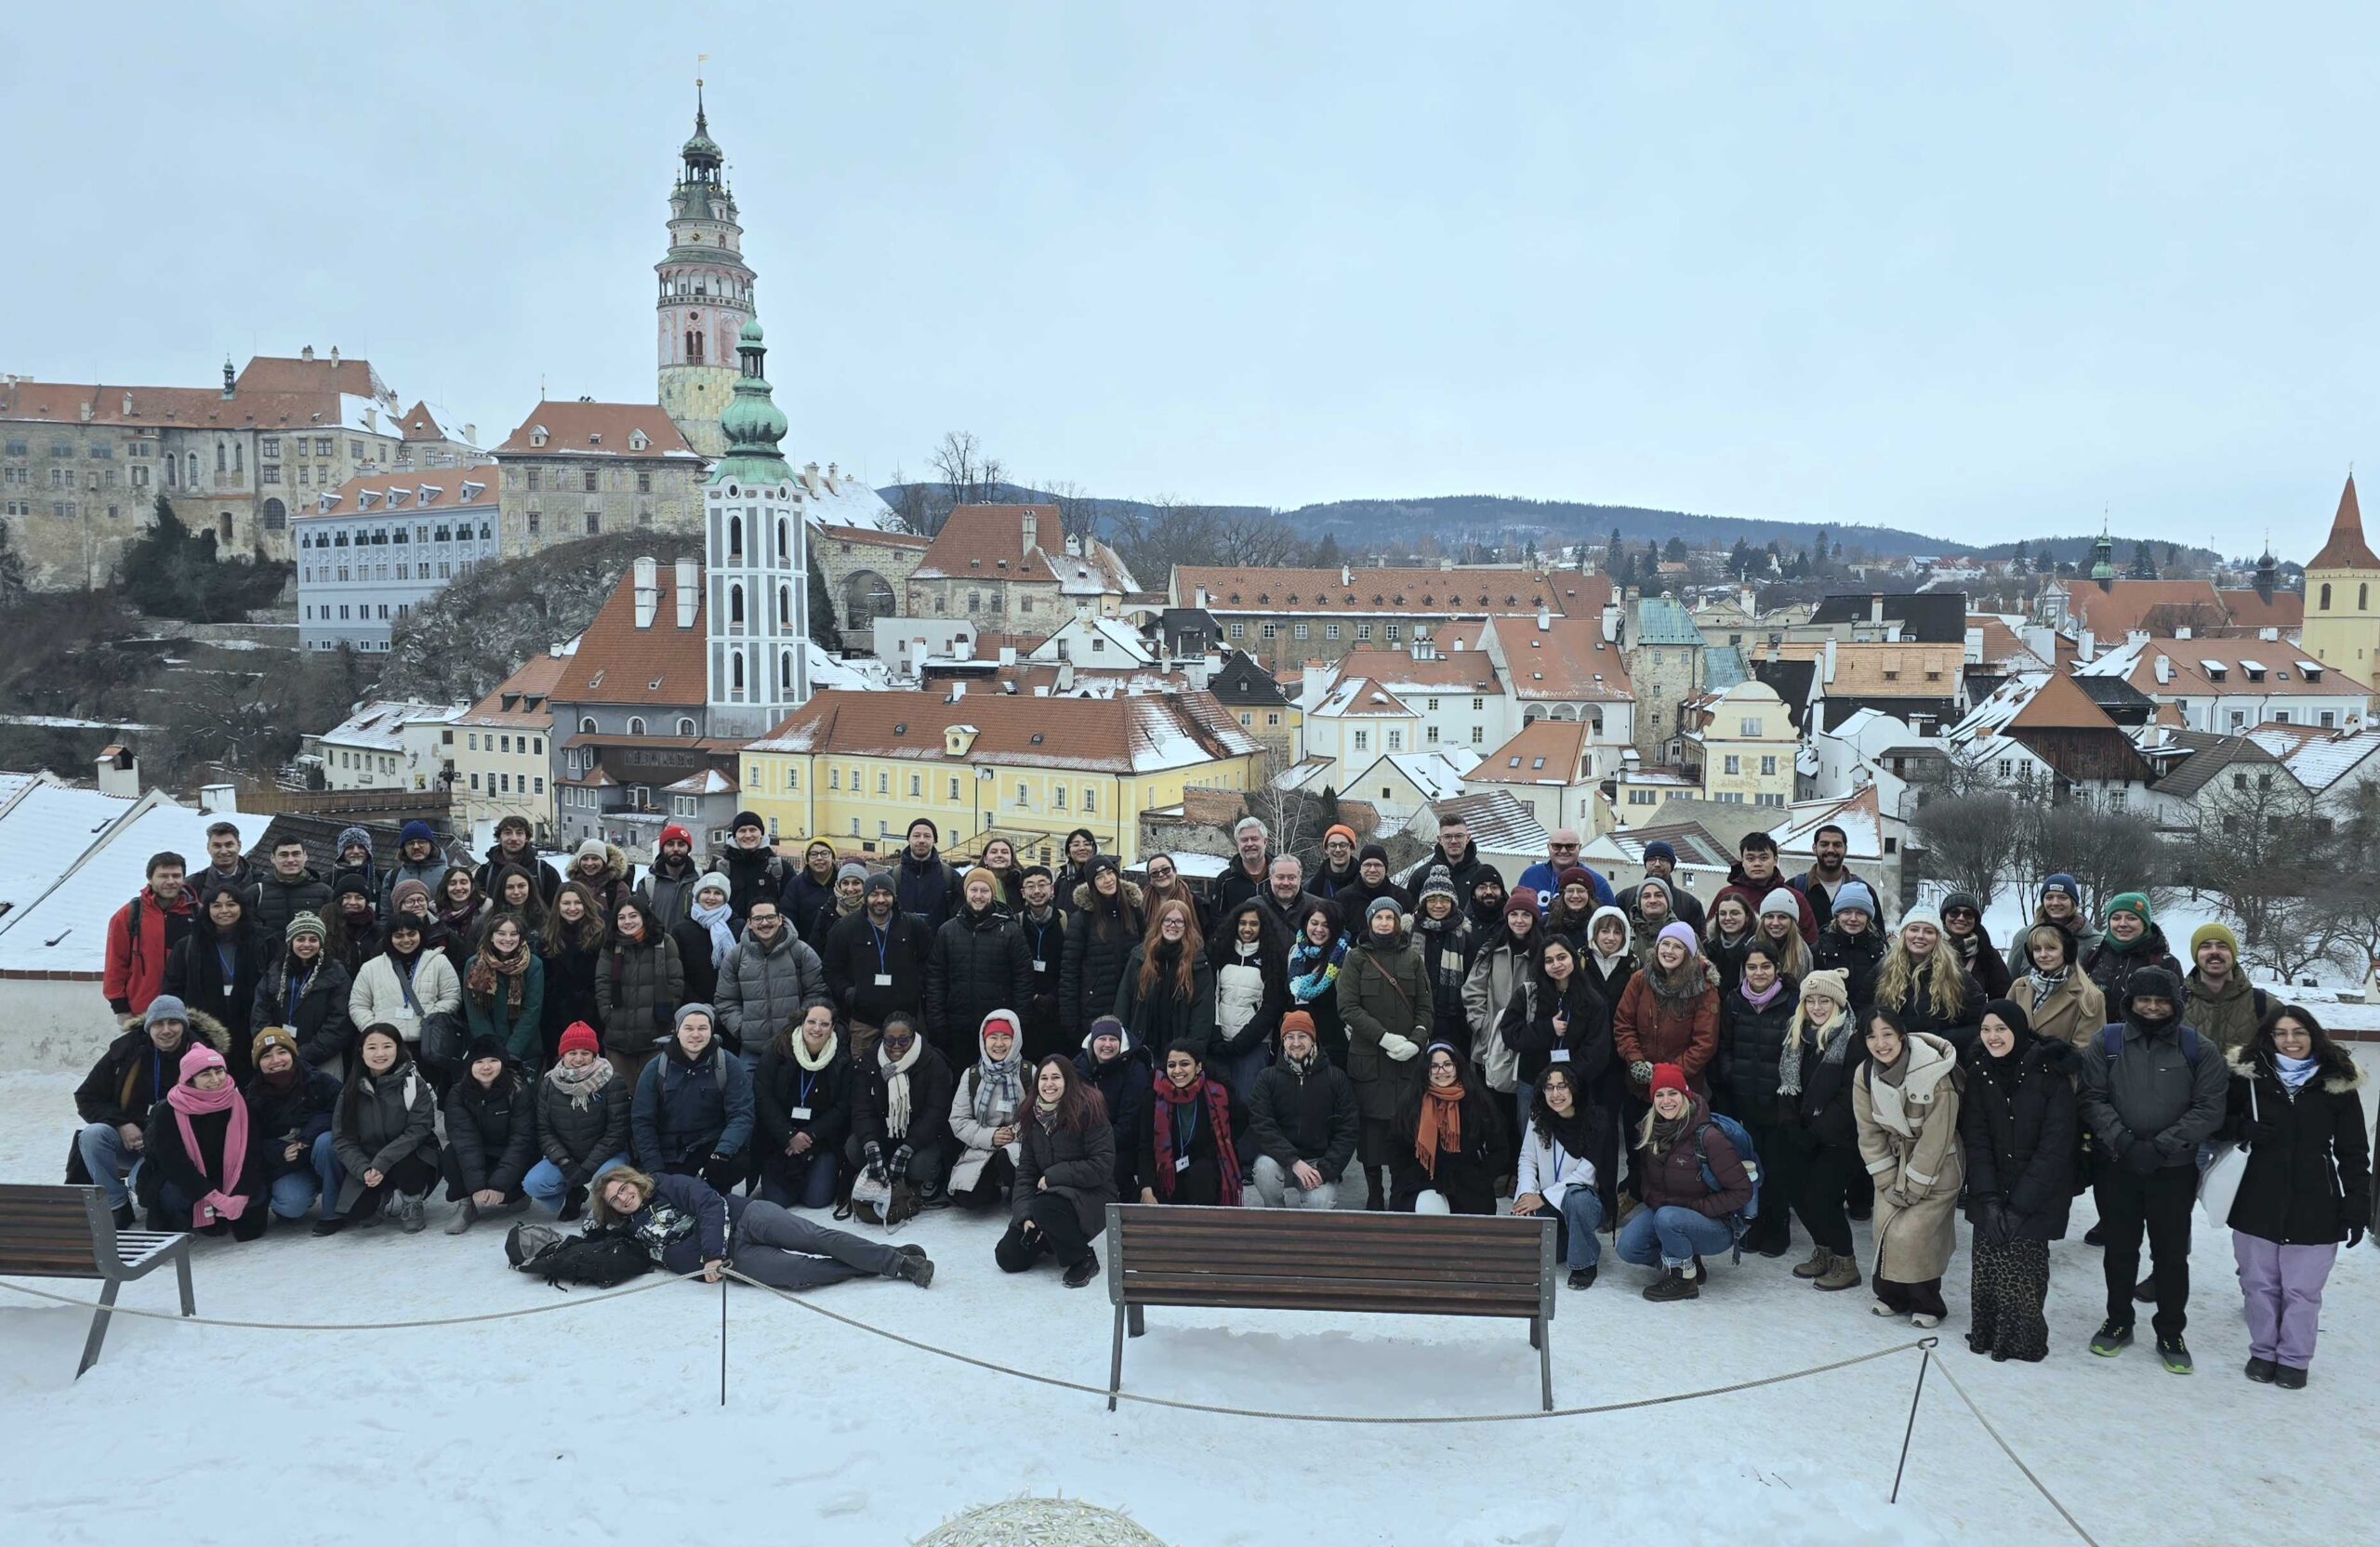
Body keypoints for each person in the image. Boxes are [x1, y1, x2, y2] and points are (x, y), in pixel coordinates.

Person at [2078, 964, 2228, 1372]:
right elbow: (2091, 1097)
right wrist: (2123, 1140)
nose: (2153, 1007)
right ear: (2130, 1002)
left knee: (2171, 1254)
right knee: (2121, 1249)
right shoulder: (2107, 1042)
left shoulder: (2198, 1049)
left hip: (2173, 1169)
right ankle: (2119, 1320)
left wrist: (2163, 1145)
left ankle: (2170, 1330)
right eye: (2144, 999)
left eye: (2161, 1000)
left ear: (2175, 1004)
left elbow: (2210, 1108)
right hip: (2118, 1165)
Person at [2225, 1006, 2371, 1389]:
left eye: (2299, 1032)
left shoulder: (2337, 1082)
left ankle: (2294, 1358)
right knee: (2259, 1285)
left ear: (2314, 1035)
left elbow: (2354, 1150)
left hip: (2315, 1201)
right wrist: (2244, 1127)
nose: (2290, 1040)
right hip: (2257, 1196)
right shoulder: (2249, 1077)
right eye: (2281, 1033)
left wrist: (2358, 1203)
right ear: (2268, 1038)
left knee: (2302, 1290)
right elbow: (2218, 1121)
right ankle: (2263, 1351)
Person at [1957, 999, 2079, 1363]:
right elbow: (1975, 1138)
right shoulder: (1980, 1072)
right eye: (1986, 1030)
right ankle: (1987, 1334)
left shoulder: (2049, 1072)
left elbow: (2056, 1146)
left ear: (2018, 1030)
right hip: (1991, 1187)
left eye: (2001, 1029)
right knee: (1988, 1266)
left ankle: (2021, 1341)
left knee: (2021, 1273)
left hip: (2037, 1194)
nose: (1993, 1037)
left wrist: (2019, 1205)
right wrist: (1989, 1199)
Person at [588, 1166, 933, 1292]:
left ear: (632, 1180)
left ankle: (899, 1264)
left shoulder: (665, 1184)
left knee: (816, 1238)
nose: (624, 1197)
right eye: (616, 1200)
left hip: (745, 1217)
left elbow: (709, 1205)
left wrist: (710, 1255)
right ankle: (878, 1260)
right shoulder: (632, 1231)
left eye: (623, 1188)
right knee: (802, 1273)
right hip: (736, 1259)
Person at [1853, 1009, 1965, 1327]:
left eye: (1887, 1034)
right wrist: (1886, 1177)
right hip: (1893, 1159)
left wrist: (1916, 1184)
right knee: (1886, 1228)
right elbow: (1868, 1130)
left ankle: (1928, 1303)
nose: (1880, 1043)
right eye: (1872, 1036)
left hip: (1937, 1162)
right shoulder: (1865, 1075)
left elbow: (1937, 1134)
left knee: (1917, 1235)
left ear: (1902, 1035)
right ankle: (1892, 1296)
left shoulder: (1934, 1073)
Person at [71, 996, 216, 1225]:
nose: (166, 1030)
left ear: (184, 1025)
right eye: (159, 1024)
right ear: (149, 1027)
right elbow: (87, 1096)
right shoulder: (127, 1051)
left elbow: (214, 1114)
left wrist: (155, 1139)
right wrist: (122, 1124)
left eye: (173, 1023)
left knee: (142, 1184)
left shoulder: (202, 1057)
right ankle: (116, 1205)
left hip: (174, 1148)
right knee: (93, 1136)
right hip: (130, 1138)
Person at [1617, 1064, 1754, 1301]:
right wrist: (1658, 1202)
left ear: (1685, 1094)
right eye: (1659, 1094)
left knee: (1668, 1218)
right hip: (1670, 1212)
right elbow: (1648, 1182)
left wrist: (1695, 1208)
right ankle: (1685, 1259)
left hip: (1714, 1223)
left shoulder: (1708, 1137)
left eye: (1673, 1093)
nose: (1666, 1101)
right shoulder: (1651, 1132)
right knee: (1628, 1247)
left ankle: (1683, 1279)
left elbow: (1743, 1191)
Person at [1774, 971, 1866, 1291]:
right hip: (1804, 1131)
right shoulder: (1796, 1034)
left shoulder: (1851, 1039)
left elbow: (1849, 1095)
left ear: (1837, 1003)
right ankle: (1823, 1251)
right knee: (1797, 1192)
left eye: (1824, 1000)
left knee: (1823, 1197)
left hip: (1840, 1138)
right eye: (1810, 1000)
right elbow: (1786, 1085)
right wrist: (1790, 1123)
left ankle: (1845, 1261)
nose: (1816, 1006)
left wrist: (1815, 1132)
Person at [1338, 894, 1431, 1210]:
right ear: (1369, 921)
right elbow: (1347, 1007)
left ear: (1396, 922)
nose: (1384, 923)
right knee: (1372, 1133)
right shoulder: (1356, 958)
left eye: (1389, 918)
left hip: (1406, 1062)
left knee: (1406, 1127)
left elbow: (1425, 1008)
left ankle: (1400, 1192)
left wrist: (1415, 1041)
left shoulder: (1412, 959)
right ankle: (1374, 1191)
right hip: (1370, 1060)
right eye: (1378, 918)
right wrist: (1384, 1039)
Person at [996, 1055, 1119, 1288]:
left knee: (1046, 1207)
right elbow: (1026, 1172)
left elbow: (1101, 1166)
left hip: (1093, 1193)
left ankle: (1083, 1257)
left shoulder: (1089, 1111)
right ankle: (1052, 1235)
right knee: (1008, 1257)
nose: (1049, 1084)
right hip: (1050, 1198)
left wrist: (1053, 1176)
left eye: (1056, 1078)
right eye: (1043, 1078)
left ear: (1068, 1081)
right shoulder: (1031, 1115)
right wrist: (1024, 1216)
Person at [322, 1025, 440, 1235]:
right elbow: (343, 1139)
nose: (380, 1053)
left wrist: (382, 1162)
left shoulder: (414, 1084)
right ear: (361, 1051)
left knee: (409, 1164)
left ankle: (412, 1201)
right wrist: (364, 1169)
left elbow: (418, 1130)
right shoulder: (350, 1090)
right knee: (356, 1213)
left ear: (398, 1049)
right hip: (370, 1159)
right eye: (372, 1047)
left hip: (410, 1155)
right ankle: (380, 1195)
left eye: (387, 1046)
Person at [143, 1043, 271, 1239]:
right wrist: (214, 1197)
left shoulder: (240, 1103)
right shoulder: (168, 1110)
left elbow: (252, 1154)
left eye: (219, 1071)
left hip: (229, 1176)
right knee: (173, 1196)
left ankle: (227, 1213)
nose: (215, 1080)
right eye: (205, 1075)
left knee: (256, 1194)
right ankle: (192, 1218)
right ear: (190, 1079)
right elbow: (174, 1163)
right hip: (190, 1179)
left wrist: (241, 1195)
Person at [1722, 943, 1798, 1255]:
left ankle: (1777, 1224)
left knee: (1779, 1168)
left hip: (1777, 1102)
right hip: (1745, 1098)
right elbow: (1725, 1045)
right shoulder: (1734, 1000)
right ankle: (1756, 1224)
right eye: (1752, 967)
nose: (1758, 973)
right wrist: (1731, 1075)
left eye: (1765, 966)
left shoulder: (1791, 1002)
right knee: (1752, 1166)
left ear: (1776, 968)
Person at [1496, 933, 1613, 1135]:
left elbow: (1597, 1049)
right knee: (1531, 1142)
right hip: (1532, 1083)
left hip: (1574, 1086)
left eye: (1562, 957)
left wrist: (1568, 1079)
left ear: (1573, 959)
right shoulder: (1528, 994)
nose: (1556, 964)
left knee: (1571, 1145)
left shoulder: (1593, 1001)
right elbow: (1511, 1033)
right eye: (1549, 960)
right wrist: (1547, 1029)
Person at [630, 1004, 754, 1193]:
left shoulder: (728, 1064)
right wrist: (654, 1168)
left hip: (712, 1147)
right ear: (677, 1031)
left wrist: (722, 1153)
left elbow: (742, 1114)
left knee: (738, 1161)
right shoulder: (656, 1068)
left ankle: (718, 1191)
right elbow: (642, 1121)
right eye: (689, 1028)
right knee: (674, 1197)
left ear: (711, 1031)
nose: (696, 1034)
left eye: (702, 1028)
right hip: (672, 1151)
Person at [1243, 1012, 1359, 1209]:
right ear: (1283, 1041)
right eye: (1290, 1037)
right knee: (1264, 1169)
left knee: (1321, 1202)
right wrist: (1294, 1161)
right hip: (1281, 1161)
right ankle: (1276, 1215)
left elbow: (1348, 1130)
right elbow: (1262, 1125)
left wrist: (1325, 1170)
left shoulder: (1335, 1078)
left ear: (1313, 1040)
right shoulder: (1267, 1078)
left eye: (1302, 1036)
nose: (1296, 1043)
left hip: (1318, 1164)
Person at [160, 879, 269, 1085]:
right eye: (216, 905)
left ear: (242, 907)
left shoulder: (262, 940)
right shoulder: (189, 945)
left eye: (231, 904)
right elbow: (173, 987)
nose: (224, 911)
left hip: (250, 1023)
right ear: (207, 909)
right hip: (203, 1027)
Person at [847, 1013, 957, 1219]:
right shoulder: (869, 1060)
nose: (896, 1045)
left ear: (914, 1037)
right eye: (889, 1040)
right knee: (854, 1148)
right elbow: (862, 1109)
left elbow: (936, 1112)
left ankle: (915, 1181)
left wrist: (908, 1148)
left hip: (921, 1139)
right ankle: (881, 1173)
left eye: (904, 1040)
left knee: (920, 1166)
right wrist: (871, 1145)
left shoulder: (933, 1061)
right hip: (883, 1133)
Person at [1511, 1065, 1611, 1289]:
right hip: (1547, 1202)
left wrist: (1543, 1198)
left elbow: (1586, 1174)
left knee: (1577, 1197)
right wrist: (1527, 1194)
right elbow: (1528, 1159)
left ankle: (1584, 1263)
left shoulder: (1595, 1120)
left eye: (1562, 1086)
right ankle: (1569, 1241)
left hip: (1584, 1201)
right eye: (1549, 1088)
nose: (1555, 1094)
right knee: (1527, 1250)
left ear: (1574, 1088)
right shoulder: (1538, 1118)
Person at [525, 1022, 631, 1218]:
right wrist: (565, 1162)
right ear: (562, 1055)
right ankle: (573, 1192)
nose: (579, 1059)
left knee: (609, 1182)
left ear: (594, 1055)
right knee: (534, 1183)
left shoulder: (612, 1080)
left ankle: (605, 1211)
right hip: (567, 1156)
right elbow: (544, 1129)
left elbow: (617, 1132)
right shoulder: (549, 1083)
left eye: (585, 1053)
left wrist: (587, 1168)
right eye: (572, 1052)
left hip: (606, 1156)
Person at [821, 873, 931, 1060]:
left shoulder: (913, 925)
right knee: (864, 1073)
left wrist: (914, 986)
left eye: (886, 894)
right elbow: (831, 969)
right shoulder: (846, 928)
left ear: (894, 897)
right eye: (874, 894)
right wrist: (848, 993)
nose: (880, 900)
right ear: (865, 897)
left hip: (905, 1018)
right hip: (864, 1020)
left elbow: (927, 961)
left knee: (906, 1073)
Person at [752, 1002, 851, 1210]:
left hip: (820, 1140)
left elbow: (843, 1106)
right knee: (777, 1202)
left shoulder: (842, 1058)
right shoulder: (778, 1051)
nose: (817, 1029)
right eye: (812, 1022)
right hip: (780, 1139)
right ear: (802, 1022)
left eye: (824, 1024)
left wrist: (810, 1135)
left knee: (816, 1200)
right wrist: (788, 1134)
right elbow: (763, 1097)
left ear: (832, 1028)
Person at [928, 870, 1033, 1064]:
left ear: (992, 894)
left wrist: (1020, 1020)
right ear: (966, 893)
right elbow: (936, 977)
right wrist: (937, 1019)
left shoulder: (1010, 930)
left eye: (984, 890)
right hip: (957, 1024)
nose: (978, 895)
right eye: (973, 890)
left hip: (998, 1026)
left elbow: (1023, 978)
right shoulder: (947, 930)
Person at [1392, 1042, 1507, 1214]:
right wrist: (1403, 1179)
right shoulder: (1411, 1101)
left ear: (1457, 1066)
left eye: (1447, 1065)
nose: (1441, 1071)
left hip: (1468, 1181)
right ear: (1426, 1070)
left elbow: (1499, 1147)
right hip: (1422, 1179)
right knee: (1428, 1209)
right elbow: (1396, 1147)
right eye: (1434, 1066)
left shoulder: (1477, 1100)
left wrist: (1483, 1178)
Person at [439, 1036, 537, 1234]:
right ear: (470, 1065)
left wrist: (498, 1185)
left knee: (532, 1151)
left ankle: (518, 1195)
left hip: (507, 1153)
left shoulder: (518, 1090)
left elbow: (521, 1139)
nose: (486, 1067)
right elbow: (465, 1141)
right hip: (478, 1154)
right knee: (451, 1153)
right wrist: (476, 1187)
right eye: (479, 1061)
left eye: (493, 1060)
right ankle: (466, 1205)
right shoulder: (458, 1093)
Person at [245, 1027, 344, 1224]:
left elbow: (342, 1111)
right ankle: (300, 1193)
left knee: (326, 1142)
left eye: (282, 1052)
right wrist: (280, 1151)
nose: (276, 1060)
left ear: (293, 1054)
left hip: (321, 1153)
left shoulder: (319, 1080)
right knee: (290, 1206)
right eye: (266, 1056)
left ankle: (336, 1209)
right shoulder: (251, 1096)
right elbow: (250, 1142)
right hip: (289, 1165)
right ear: (258, 1062)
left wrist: (307, 1137)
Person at [715, 896, 828, 1064]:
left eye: (770, 917)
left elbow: (818, 993)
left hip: (795, 1045)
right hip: (752, 1050)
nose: (765, 923)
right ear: (749, 923)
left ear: (780, 920)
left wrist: (800, 1026)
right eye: (758, 919)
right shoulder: (735, 957)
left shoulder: (801, 952)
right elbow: (725, 1000)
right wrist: (742, 1029)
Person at [1614, 922, 1720, 1099]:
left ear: (1689, 953)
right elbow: (1623, 1023)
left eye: (1678, 946)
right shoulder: (1640, 979)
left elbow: (1704, 1043)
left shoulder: (1704, 990)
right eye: (1665, 944)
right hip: (1639, 1085)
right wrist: (1636, 1060)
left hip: (1681, 1088)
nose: (1669, 951)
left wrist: (1668, 1074)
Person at [347, 914, 462, 1062]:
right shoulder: (371, 967)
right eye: (399, 936)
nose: (406, 940)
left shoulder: (438, 961)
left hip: (428, 1043)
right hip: (386, 1046)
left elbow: (452, 997)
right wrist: (375, 1029)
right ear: (390, 938)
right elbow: (358, 1005)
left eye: (412, 934)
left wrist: (430, 1016)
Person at [947, 1010, 1031, 1211]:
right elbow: (958, 1120)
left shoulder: (1029, 1073)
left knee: (1006, 1157)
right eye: (993, 1037)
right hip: (981, 1146)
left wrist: (1014, 1133)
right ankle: (990, 1190)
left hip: (1019, 1145)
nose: (999, 1044)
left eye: (1006, 1037)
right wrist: (991, 1136)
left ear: (1016, 1039)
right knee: (970, 1200)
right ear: (984, 1041)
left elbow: (1040, 1114)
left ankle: (1016, 1190)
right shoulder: (972, 1075)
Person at [596, 899, 684, 1088]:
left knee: (653, 1093)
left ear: (644, 916)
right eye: (621, 917)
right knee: (619, 1095)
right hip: (617, 1038)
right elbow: (602, 983)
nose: (627, 921)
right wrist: (608, 1016)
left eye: (633, 915)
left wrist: (665, 1015)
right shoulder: (611, 945)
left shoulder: (664, 942)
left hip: (656, 1037)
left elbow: (675, 983)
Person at [1142, 1039, 1242, 1206]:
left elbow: (1241, 1120)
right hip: (1167, 1169)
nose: (1177, 1070)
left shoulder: (1217, 1093)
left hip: (1205, 1168)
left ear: (1198, 1067)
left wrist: (1216, 1146)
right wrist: (1146, 1187)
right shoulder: (1153, 1096)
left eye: (1185, 1064)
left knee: (1201, 1174)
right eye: (1172, 1065)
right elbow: (1144, 1146)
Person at [1114, 900, 1218, 1058]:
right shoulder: (1140, 956)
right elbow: (1124, 998)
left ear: (1187, 926)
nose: (1172, 925)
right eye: (1167, 920)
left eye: (1179, 921)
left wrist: (1192, 1051)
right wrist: (1121, 1038)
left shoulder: (1198, 962)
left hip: (1179, 1048)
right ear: (1159, 923)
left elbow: (1203, 1013)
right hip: (1141, 1043)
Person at [1871, 906, 1984, 1052]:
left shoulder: (1957, 975)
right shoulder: (1884, 969)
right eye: (1914, 929)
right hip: (1891, 1056)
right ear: (1905, 933)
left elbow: (1978, 1024)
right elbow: (1865, 1011)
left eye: (1929, 931)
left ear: (1938, 938)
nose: (1920, 936)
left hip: (1939, 1058)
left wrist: (1940, 1039)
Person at [1061, 857, 1145, 1050]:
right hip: (1094, 1006)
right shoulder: (1081, 919)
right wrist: (1069, 1019)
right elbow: (1069, 971)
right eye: (1099, 877)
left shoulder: (1134, 912)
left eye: (1110, 873)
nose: (1107, 880)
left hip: (1129, 1003)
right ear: (1092, 884)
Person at [1461, 892, 1537, 1105]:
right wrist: (1483, 1027)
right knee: (1492, 1114)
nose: (1519, 920)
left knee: (1522, 1117)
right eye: (1514, 914)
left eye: (1526, 915)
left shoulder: (1542, 953)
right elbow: (1472, 991)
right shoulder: (1490, 949)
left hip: (1526, 1048)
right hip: (1489, 1046)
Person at [257, 911, 354, 1076]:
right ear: (290, 942)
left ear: (321, 943)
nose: (306, 944)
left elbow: (339, 1020)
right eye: (300, 939)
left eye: (313, 940)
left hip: (323, 1057)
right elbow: (261, 1010)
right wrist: (275, 1048)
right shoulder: (276, 970)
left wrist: (305, 1053)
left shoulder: (336, 973)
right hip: (278, 1057)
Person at [1210, 896, 1287, 1104]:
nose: (1247, 928)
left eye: (1254, 924)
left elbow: (1271, 1006)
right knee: (1219, 1102)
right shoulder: (1222, 953)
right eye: (1243, 923)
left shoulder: (1271, 957)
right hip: (1221, 1042)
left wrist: (1243, 1041)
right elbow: (1214, 995)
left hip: (1254, 1044)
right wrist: (1216, 1033)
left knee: (1246, 1101)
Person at [103, 851, 195, 1019]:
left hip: (190, 1009)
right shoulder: (129, 915)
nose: (170, 881)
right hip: (142, 1010)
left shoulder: (197, 913)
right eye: (163, 876)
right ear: (150, 879)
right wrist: (120, 1007)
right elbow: (116, 964)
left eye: (176, 876)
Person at [1076, 1015, 1151, 1203]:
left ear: (1121, 1042)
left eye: (1113, 1039)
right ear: (1093, 1041)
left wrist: (1098, 1147)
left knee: (1114, 1169)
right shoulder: (1077, 1068)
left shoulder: (1135, 1070)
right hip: (1084, 1140)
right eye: (1102, 1039)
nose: (1107, 1044)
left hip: (1121, 1145)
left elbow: (1130, 1121)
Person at [463, 911, 545, 1068]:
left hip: (524, 1050)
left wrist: (511, 1052)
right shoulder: (473, 964)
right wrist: (494, 1052)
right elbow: (475, 1012)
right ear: (491, 937)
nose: (508, 939)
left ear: (521, 938)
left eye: (513, 934)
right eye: (501, 933)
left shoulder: (534, 964)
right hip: (487, 1053)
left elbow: (532, 1011)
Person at [2084, 892, 2187, 1013]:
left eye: (2132, 918)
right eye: (2116, 918)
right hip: (2092, 1030)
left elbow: (2174, 1011)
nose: (2122, 924)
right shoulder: (2095, 953)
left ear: (2145, 924)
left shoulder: (2165, 962)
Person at [540, 882, 606, 1064]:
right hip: (557, 1014)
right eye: (566, 903)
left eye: (578, 903)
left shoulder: (601, 933)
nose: (572, 908)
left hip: (593, 1011)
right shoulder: (547, 936)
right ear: (558, 905)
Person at [2184, 923, 2269, 1061]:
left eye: (2222, 946)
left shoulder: (2263, 1004)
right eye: (2205, 946)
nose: (2214, 951)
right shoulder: (2177, 1002)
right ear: (2196, 954)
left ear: (2233, 953)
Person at [2014, 922, 2104, 1049]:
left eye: (2051, 948)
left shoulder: (2089, 996)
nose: (2043, 954)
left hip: (2058, 1068)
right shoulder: (2019, 986)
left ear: (2066, 952)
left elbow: (2084, 1051)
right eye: (2037, 949)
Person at [1012, 865, 1069, 1063]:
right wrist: (1031, 996)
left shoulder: (1066, 921)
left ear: (1052, 890)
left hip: (1057, 1009)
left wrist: (1052, 997)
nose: (1037, 891)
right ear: (1023, 892)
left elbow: (1070, 967)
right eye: (1030, 886)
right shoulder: (1015, 923)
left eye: (1042, 885)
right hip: (1025, 1009)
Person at [1728, 832, 1817, 944]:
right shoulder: (1728, 896)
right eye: (1750, 859)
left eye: (1764, 858)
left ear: (1775, 859)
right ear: (1742, 861)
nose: (1757, 864)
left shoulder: (1794, 898)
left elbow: (1810, 941)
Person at [1817, 882, 1887, 1019]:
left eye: (1860, 913)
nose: (1853, 919)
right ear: (1837, 915)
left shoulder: (1881, 951)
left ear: (1868, 917)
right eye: (1847, 912)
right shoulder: (1820, 949)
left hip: (1868, 1025)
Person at [669, 873, 736, 1009]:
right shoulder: (681, 930)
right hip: (692, 1008)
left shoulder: (738, 926)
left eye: (718, 893)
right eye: (706, 892)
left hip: (732, 1006)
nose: (711, 897)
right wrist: (698, 1005)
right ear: (697, 895)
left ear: (725, 898)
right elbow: (677, 974)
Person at [712, 811, 787, 929]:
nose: (748, 835)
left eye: (753, 830)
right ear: (735, 836)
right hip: (731, 936)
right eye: (742, 831)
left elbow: (789, 907)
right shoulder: (721, 868)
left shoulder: (779, 868)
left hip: (769, 935)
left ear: (761, 834)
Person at [254, 836, 332, 943]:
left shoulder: (324, 893)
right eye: (283, 855)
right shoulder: (257, 893)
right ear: (272, 858)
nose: (290, 860)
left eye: (296, 854)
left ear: (305, 856)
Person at [473, 814, 562, 907]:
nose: (514, 838)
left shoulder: (545, 871)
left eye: (519, 833)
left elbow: (555, 911)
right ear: (499, 837)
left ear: (527, 838)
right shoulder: (485, 872)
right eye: (508, 833)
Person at [1614, 840, 1703, 932]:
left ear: (1671, 865)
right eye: (1652, 859)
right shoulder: (1625, 898)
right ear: (1645, 864)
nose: (1657, 864)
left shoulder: (1690, 904)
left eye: (1663, 860)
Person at [895, 816, 963, 934]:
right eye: (916, 835)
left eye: (927, 836)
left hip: (939, 946)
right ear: (908, 839)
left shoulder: (951, 877)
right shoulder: (894, 876)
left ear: (934, 841)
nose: (921, 840)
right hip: (901, 946)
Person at [1519, 828, 1614, 911]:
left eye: (1570, 846)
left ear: (1579, 848)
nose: (1563, 851)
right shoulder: (1530, 876)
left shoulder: (1598, 883)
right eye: (1557, 846)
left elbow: (1611, 921)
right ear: (1548, 847)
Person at [1791, 823, 1869, 923]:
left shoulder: (1865, 892)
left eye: (1837, 845)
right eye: (1824, 844)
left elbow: (1878, 935)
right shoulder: (1794, 888)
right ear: (1814, 848)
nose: (1831, 850)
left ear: (1845, 850)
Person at [1939, 891, 2011, 998]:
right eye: (1954, 912)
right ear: (1944, 917)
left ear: (1975, 920)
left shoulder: (1987, 954)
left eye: (1968, 914)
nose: (1961, 918)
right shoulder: (1931, 948)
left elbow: (2003, 996)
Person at [381, 821, 447, 919]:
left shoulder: (448, 875)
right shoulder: (392, 877)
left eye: (422, 842)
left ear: (431, 845)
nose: (416, 847)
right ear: (404, 848)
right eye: (410, 843)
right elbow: (386, 916)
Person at [1702, 891, 1759, 998]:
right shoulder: (1709, 947)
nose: (1728, 918)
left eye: (1735, 913)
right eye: (1723, 913)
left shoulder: (1758, 946)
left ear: (1747, 916)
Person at [1138, 852, 1209, 939]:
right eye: (1154, 873)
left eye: (1165, 869)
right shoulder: (1140, 903)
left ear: (1175, 871)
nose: (1161, 874)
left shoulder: (1195, 903)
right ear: (1150, 880)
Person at [1752, 889, 1814, 985]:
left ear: (1792, 921)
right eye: (1769, 916)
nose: (1775, 923)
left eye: (1782, 917)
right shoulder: (1750, 947)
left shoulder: (1805, 953)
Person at [1214, 815, 1274, 917]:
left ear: (1265, 842)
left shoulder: (1280, 877)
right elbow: (1217, 920)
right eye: (1244, 840)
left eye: (1254, 839)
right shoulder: (1226, 880)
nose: (1249, 844)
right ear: (1238, 845)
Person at [804, 861, 870, 952]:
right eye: (845, 883)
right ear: (839, 885)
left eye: (856, 883)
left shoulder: (873, 911)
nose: (850, 889)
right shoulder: (827, 912)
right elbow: (815, 948)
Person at [782, 838, 844, 932]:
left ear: (833, 857)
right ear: (807, 859)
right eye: (813, 854)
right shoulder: (795, 885)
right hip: (805, 944)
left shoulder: (843, 883)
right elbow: (787, 917)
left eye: (824, 853)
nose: (819, 858)